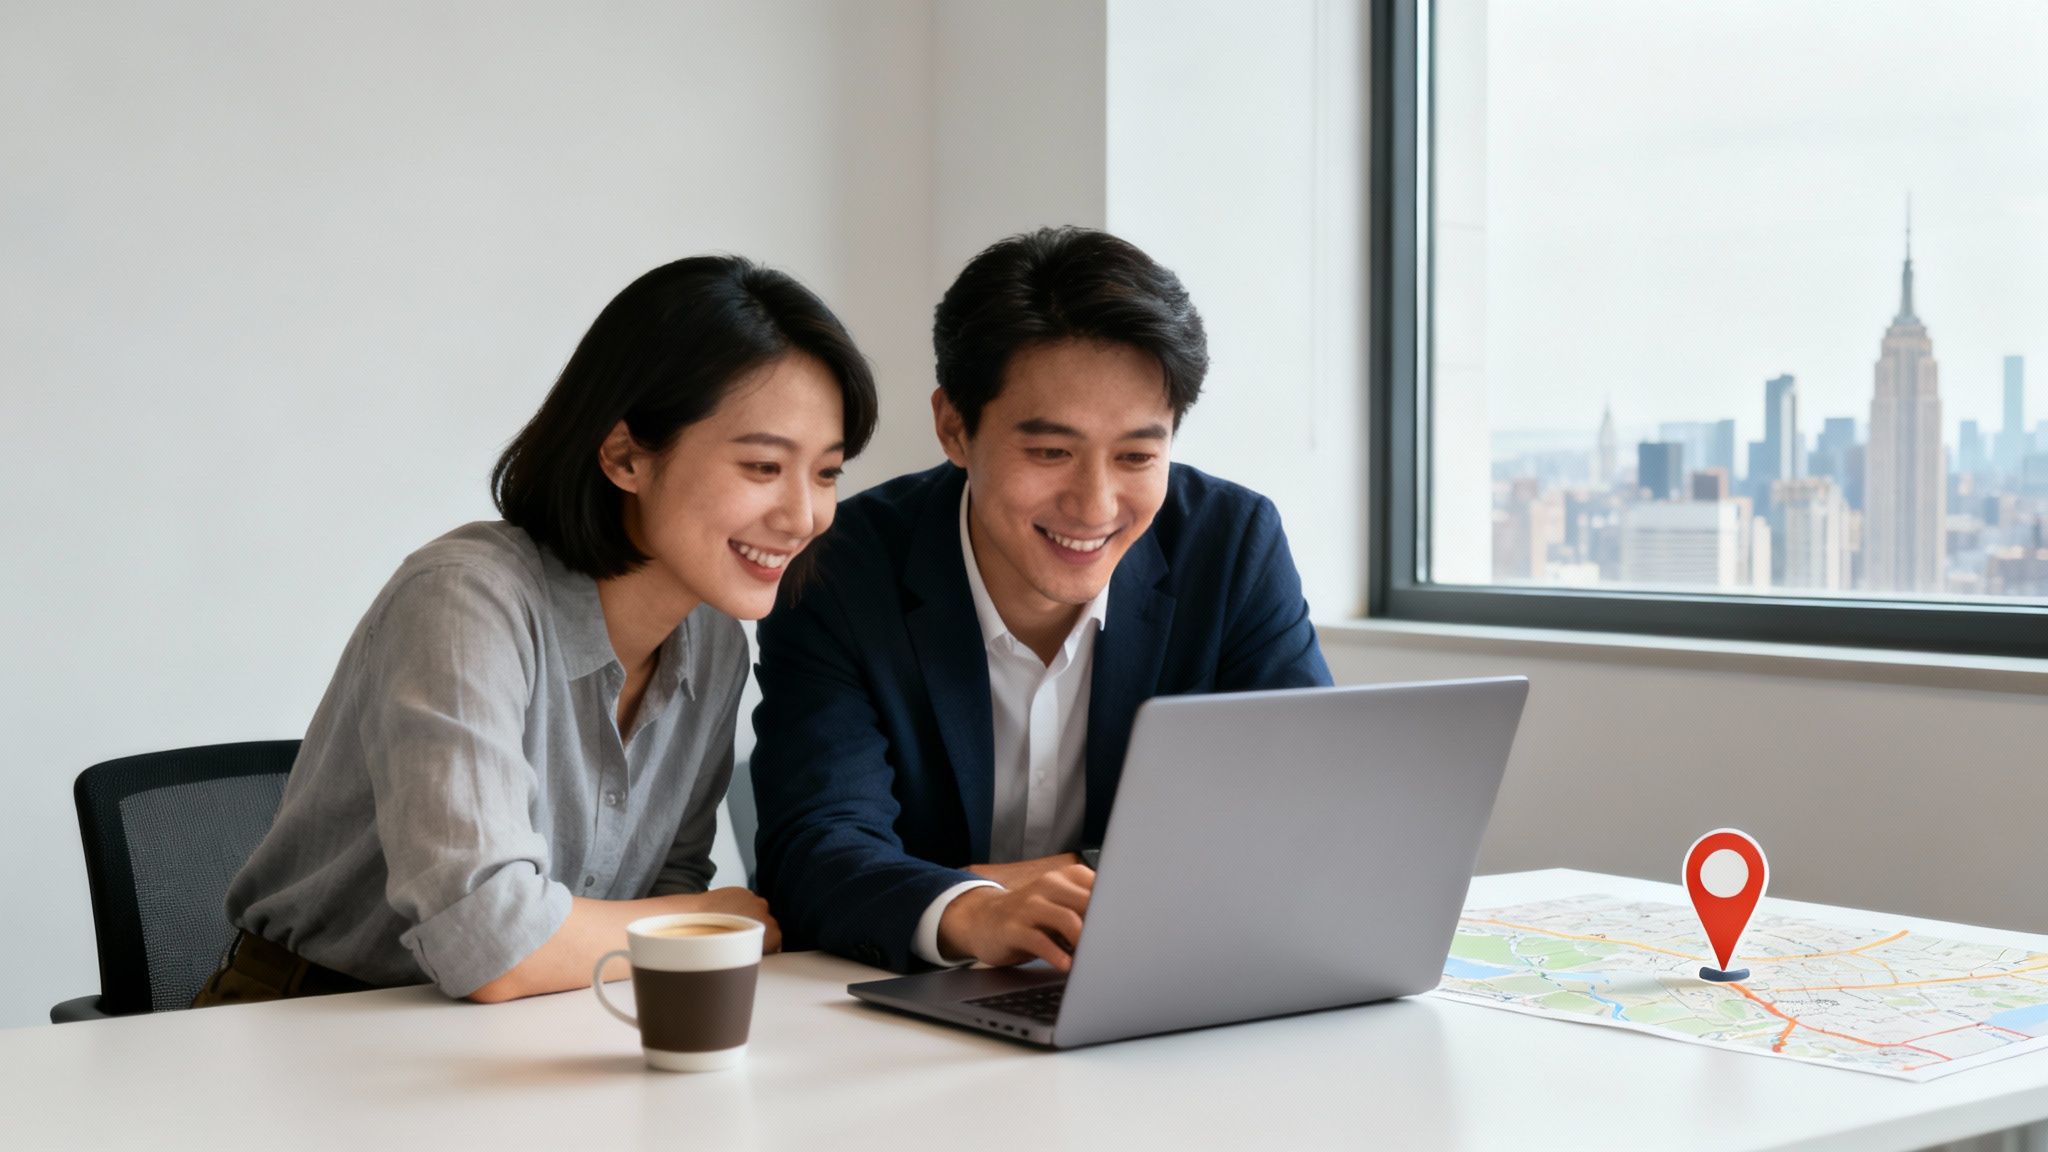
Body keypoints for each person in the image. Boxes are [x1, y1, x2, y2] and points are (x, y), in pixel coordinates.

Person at [198, 255, 877, 1006]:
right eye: (762, 467)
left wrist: (684, 919)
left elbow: (663, 891)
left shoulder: (714, 636)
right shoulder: (463, 600)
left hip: (534, 1030)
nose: (804, 517)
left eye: (826, 474)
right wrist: (703, 920)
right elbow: (491, 941)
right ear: (625, 456)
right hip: (306, 1026)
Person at [749, 226, 1331, 975]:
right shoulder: (840, 566)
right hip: (909, 1010)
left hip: (1154, 984)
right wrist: (975, 911)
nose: (1094, 504)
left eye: (1137, 457)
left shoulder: (1231, 545)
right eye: (1051, 452)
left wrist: (1038, 878)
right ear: (954, 427)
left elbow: (1299, 817)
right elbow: (816, 852)